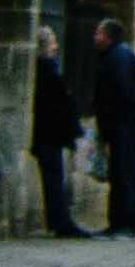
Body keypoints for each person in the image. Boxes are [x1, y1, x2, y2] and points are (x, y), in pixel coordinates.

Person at [82, 17, 135, 238]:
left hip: (129, 123)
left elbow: (118, 94)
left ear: (108, 37)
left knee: (125, 172)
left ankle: (129, 224)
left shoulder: (118, 57)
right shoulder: (114, 56)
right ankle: (121, 222)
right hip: (127, 122)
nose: (95, 37)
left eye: (98, 33)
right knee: (122, 172)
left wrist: (110, 128)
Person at [30, 17, 87, 238]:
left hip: (49, 135)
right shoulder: (47, 72)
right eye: (52, 42)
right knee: (54, 180)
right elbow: (59, 105)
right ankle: (60, 222)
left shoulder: (46, 71)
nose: (55, 46)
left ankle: (59, 220)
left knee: (55, 179)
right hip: (49, 135)